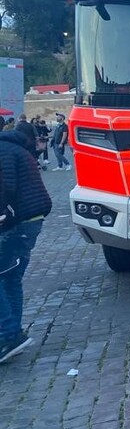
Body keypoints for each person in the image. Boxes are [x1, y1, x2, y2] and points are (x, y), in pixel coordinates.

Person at [0, 130, 52, 364]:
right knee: (10, 278)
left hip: (17, 222)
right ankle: (14, 335)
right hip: (30, 219)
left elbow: (6, 188)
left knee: (6, 277)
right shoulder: (16, 147)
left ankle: (8, 336)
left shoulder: (3, 150)